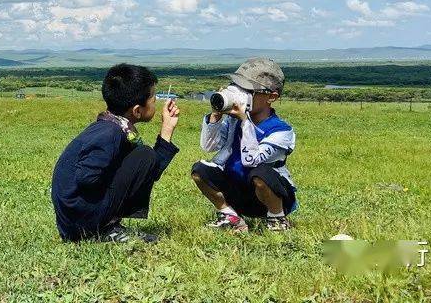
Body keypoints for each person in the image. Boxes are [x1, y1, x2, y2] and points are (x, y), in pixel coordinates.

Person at [51, 63, 180, 243]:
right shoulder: (109, 133)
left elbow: (148, 171)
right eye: (153, 99)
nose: (155, 103)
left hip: (78, 217)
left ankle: (104, 226)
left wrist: (167, 128)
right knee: (145, 154)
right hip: (80, 221)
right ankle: (103, 229)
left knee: (145, 157)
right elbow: (86, 178)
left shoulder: (113, 127)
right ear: (137, 110)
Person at [191, 57, 297, 232]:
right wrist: (216, 116)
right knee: (200, 170)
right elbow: (209, 146)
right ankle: (230, 216)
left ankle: (277, 219)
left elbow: (251, 160)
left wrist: (245, 122)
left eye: (248, 89)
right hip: (238, 191)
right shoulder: (233, 122)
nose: (240, 93)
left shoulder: (281, 131)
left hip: (267, 195)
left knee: (260, 174)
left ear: (272, 97)